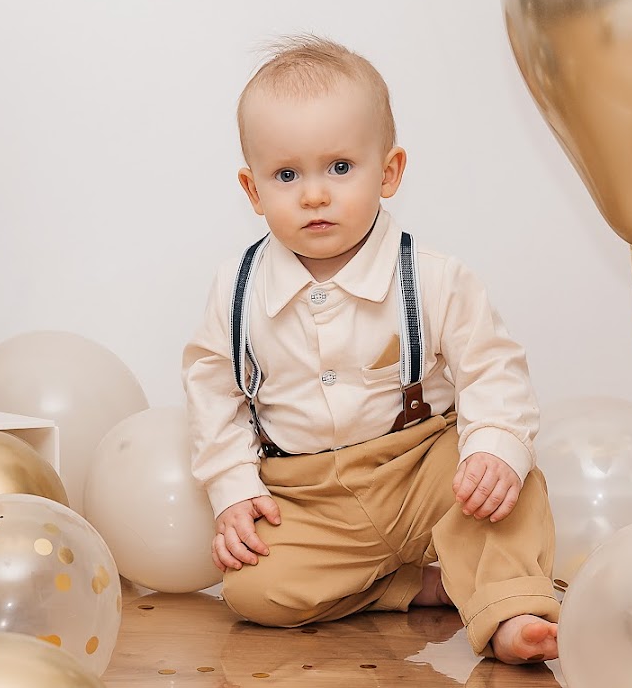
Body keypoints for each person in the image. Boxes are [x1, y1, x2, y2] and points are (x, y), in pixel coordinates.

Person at [181, 35, 559, 664]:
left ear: (389, 172)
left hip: (420, 465)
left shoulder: (432, 276)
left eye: (339, 168)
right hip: (306, 492)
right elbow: (213, 391)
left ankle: (511, 607)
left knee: (507, 487)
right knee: (254, 589)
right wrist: (233, 487)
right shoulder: (236, 288)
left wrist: (494, 445)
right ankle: (414, 586)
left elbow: (492, 365)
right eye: (286, 175)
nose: (314, 195)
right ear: (252, 190)